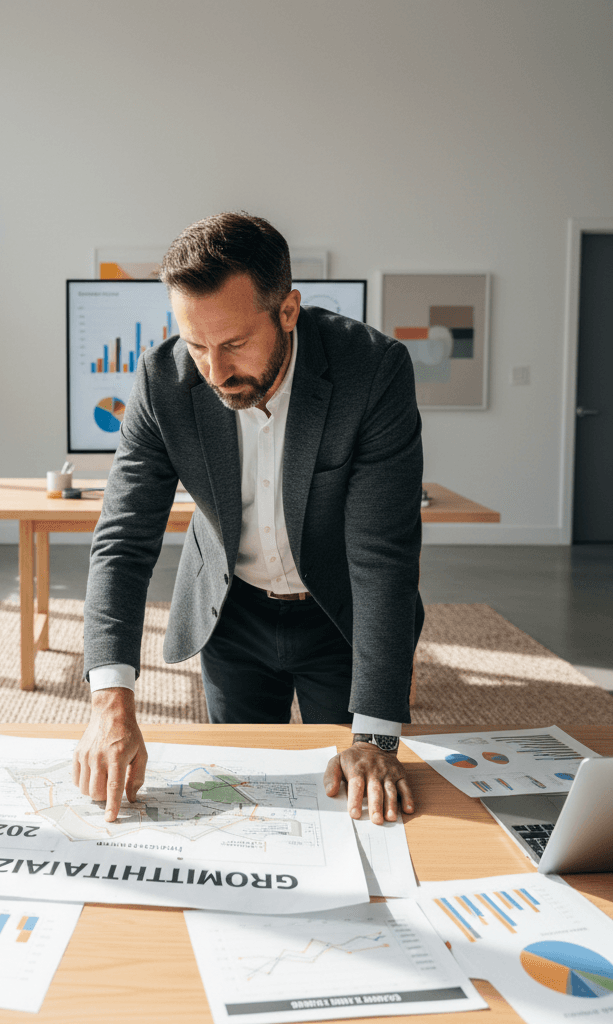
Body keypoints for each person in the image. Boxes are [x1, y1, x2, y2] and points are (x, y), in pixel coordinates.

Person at [72, 212, 424, 827]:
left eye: (233, 344)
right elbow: (124, 539)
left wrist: (377, 738)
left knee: (356, 800)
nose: (213, 371)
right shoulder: (162, 381)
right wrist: (109, 699)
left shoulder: (372, 371)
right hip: (230, 612)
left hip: (338, 611)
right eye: (196, 344)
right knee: (242, 800)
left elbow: (382, 555)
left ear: (288, 310)